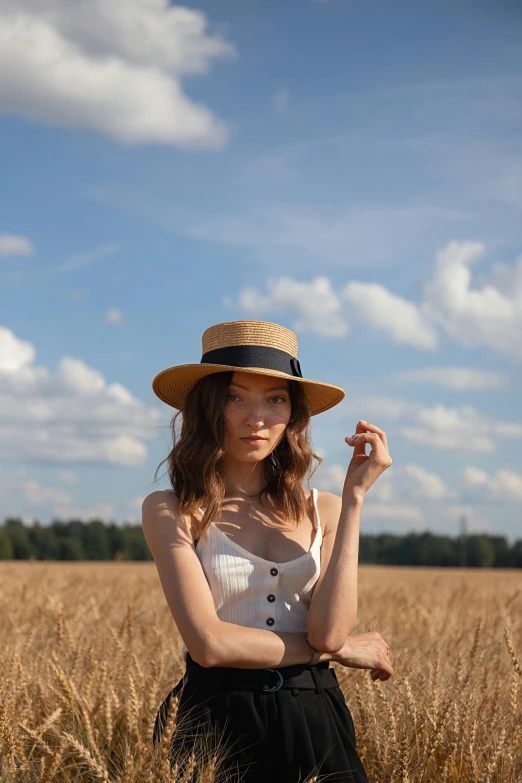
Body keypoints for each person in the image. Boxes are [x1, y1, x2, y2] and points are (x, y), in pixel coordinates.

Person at [142, 319, 393, 783]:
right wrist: (336, 653)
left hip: (315, 719)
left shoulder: (328, 510)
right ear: (208, 407)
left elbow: (329, 631)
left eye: (275, 399)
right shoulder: (171, 509)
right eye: (235, 397)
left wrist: (355, 498)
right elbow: (210, 646)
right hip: (213, 724)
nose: (255, 418)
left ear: (292, 414)